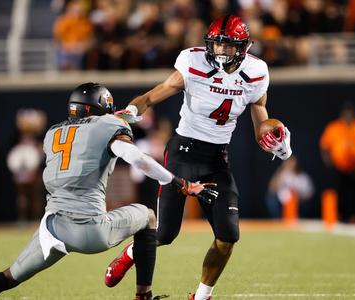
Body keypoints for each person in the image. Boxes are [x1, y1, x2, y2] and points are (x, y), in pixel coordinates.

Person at [0, 83, 217, 300]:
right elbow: (134, 157)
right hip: (90, 230)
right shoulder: (109, 126)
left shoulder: (53, 132)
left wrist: (119, 119)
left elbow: (85, 138)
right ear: (102, 107)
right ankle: (144, 296)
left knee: (9, 276)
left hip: (52, 228)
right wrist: (178, 182)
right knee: (148, 216)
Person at [106, 15, 292, 300]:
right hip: (183, 152)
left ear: (243, 48)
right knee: (166, 234)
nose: (220, 52)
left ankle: (202, 296)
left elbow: (261, 124)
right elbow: (152, 96)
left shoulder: (257, 71)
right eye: (216, 45)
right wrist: (131, 111)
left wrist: (276, 139)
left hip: (218, 159)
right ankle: (131, 252)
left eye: (228, 47)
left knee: (228, 236)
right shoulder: (192, 63)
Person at [320, 104, 355, 222]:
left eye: (350, 114)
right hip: (338, 167)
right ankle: (338, 214)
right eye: (346, 114)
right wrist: (329, 162)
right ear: (342, 115)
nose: (348, 117)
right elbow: (325, 146)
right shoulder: (333, 127)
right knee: (338, 192)